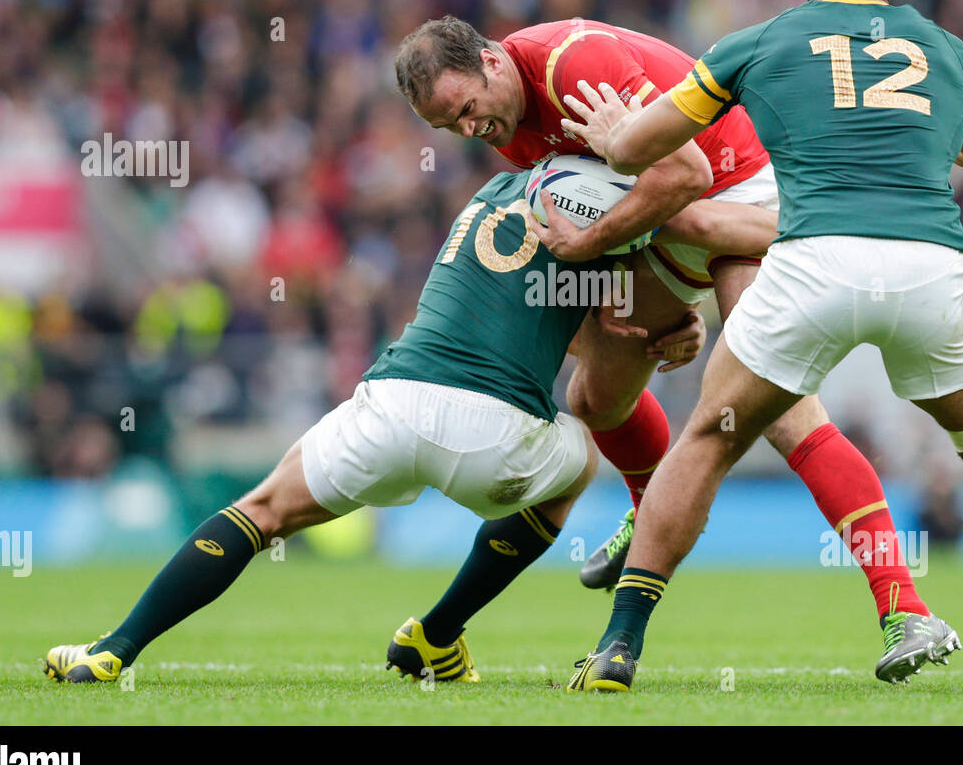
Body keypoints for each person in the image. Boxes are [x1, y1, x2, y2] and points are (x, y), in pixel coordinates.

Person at [561, 0, 963, 695]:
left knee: (707, 440)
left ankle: (619, 644)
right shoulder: (945, 49)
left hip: (811, 263)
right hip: (931, 264)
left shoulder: (761, 41)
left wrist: (609, 138)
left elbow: (641, 146)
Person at [395, 15, 954, 683]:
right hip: (668, 218)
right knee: (595, 397)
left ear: (490, 62)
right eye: (446, 128)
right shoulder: (507, 124)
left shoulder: (574, 64)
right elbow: (602, 219)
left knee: (776, 409)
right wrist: (621, 305)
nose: (466, 131)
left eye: (464, 110)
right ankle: (650, 507)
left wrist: (610, 251)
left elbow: (682, 174)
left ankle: (905, 607)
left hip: (742, 183)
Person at [42, 163, 705, 684]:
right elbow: (601, 342)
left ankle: (114, 648)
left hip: (392, 403)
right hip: (498, 445)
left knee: (262, 510)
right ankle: (438, 633)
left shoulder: (493, 192)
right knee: (580, 461)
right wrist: (670, 326)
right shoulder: (607, 199)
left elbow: (517, 306)